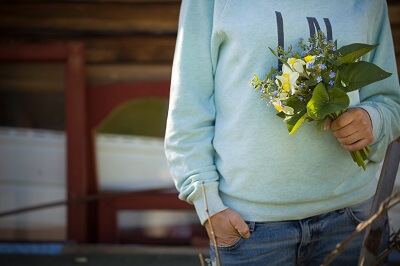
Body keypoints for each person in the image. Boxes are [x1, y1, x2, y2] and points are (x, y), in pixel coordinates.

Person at [164, 0, 400, 265]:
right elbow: (188, 105)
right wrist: (208, 206)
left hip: (353, 217)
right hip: (251, 229)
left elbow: (388, 100)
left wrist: (373, 119)